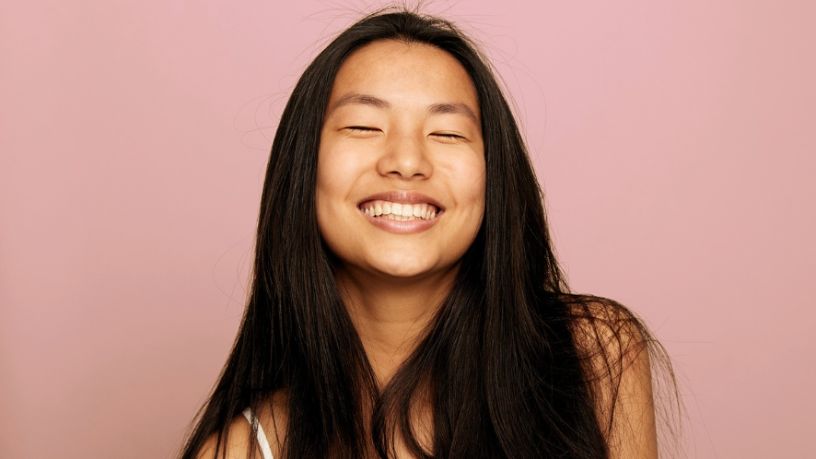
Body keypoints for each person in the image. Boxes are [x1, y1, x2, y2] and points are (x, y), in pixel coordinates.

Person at [179, 6, 679, 459]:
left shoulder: (594, 355)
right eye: (363, 127)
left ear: (494, 177)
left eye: (447, 133)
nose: (407, 162)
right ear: (302, 168)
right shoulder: (243, 450)